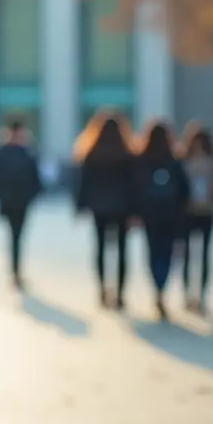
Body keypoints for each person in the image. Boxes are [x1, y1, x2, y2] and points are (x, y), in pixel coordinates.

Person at [73, 110, 136, 310]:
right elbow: (134, 184)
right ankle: (119, 293)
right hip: (122, 208)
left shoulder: (91, 153)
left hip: (99, 207)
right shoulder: (127, 154)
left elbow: (84, 183)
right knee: (122, 250)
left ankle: (102, 289)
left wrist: (80, 206)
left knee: (100, 248)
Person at [132, 120, 190, 322]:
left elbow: (136, 190)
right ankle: (162, 288)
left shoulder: (142, 160)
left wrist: (136, 213)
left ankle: (157, 288)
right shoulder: (174, 161)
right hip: (171, 214)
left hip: (150, 215)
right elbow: (185, 191)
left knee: (153, 251)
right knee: (167, 253)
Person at [0, 116, 43, 291]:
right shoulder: (5, 153)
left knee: (17, 236)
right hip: (10, 201)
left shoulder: (24, 152)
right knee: (14, 236)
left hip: (21, 201)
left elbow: (35, 179)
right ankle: (15, 271)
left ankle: (16, 271)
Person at [178, 122, 213, 315]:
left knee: (204, 255)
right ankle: (187, 294)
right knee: (187, 255)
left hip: (207, 212)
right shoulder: (183, 161)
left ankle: (202, 295)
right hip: (188, 213)